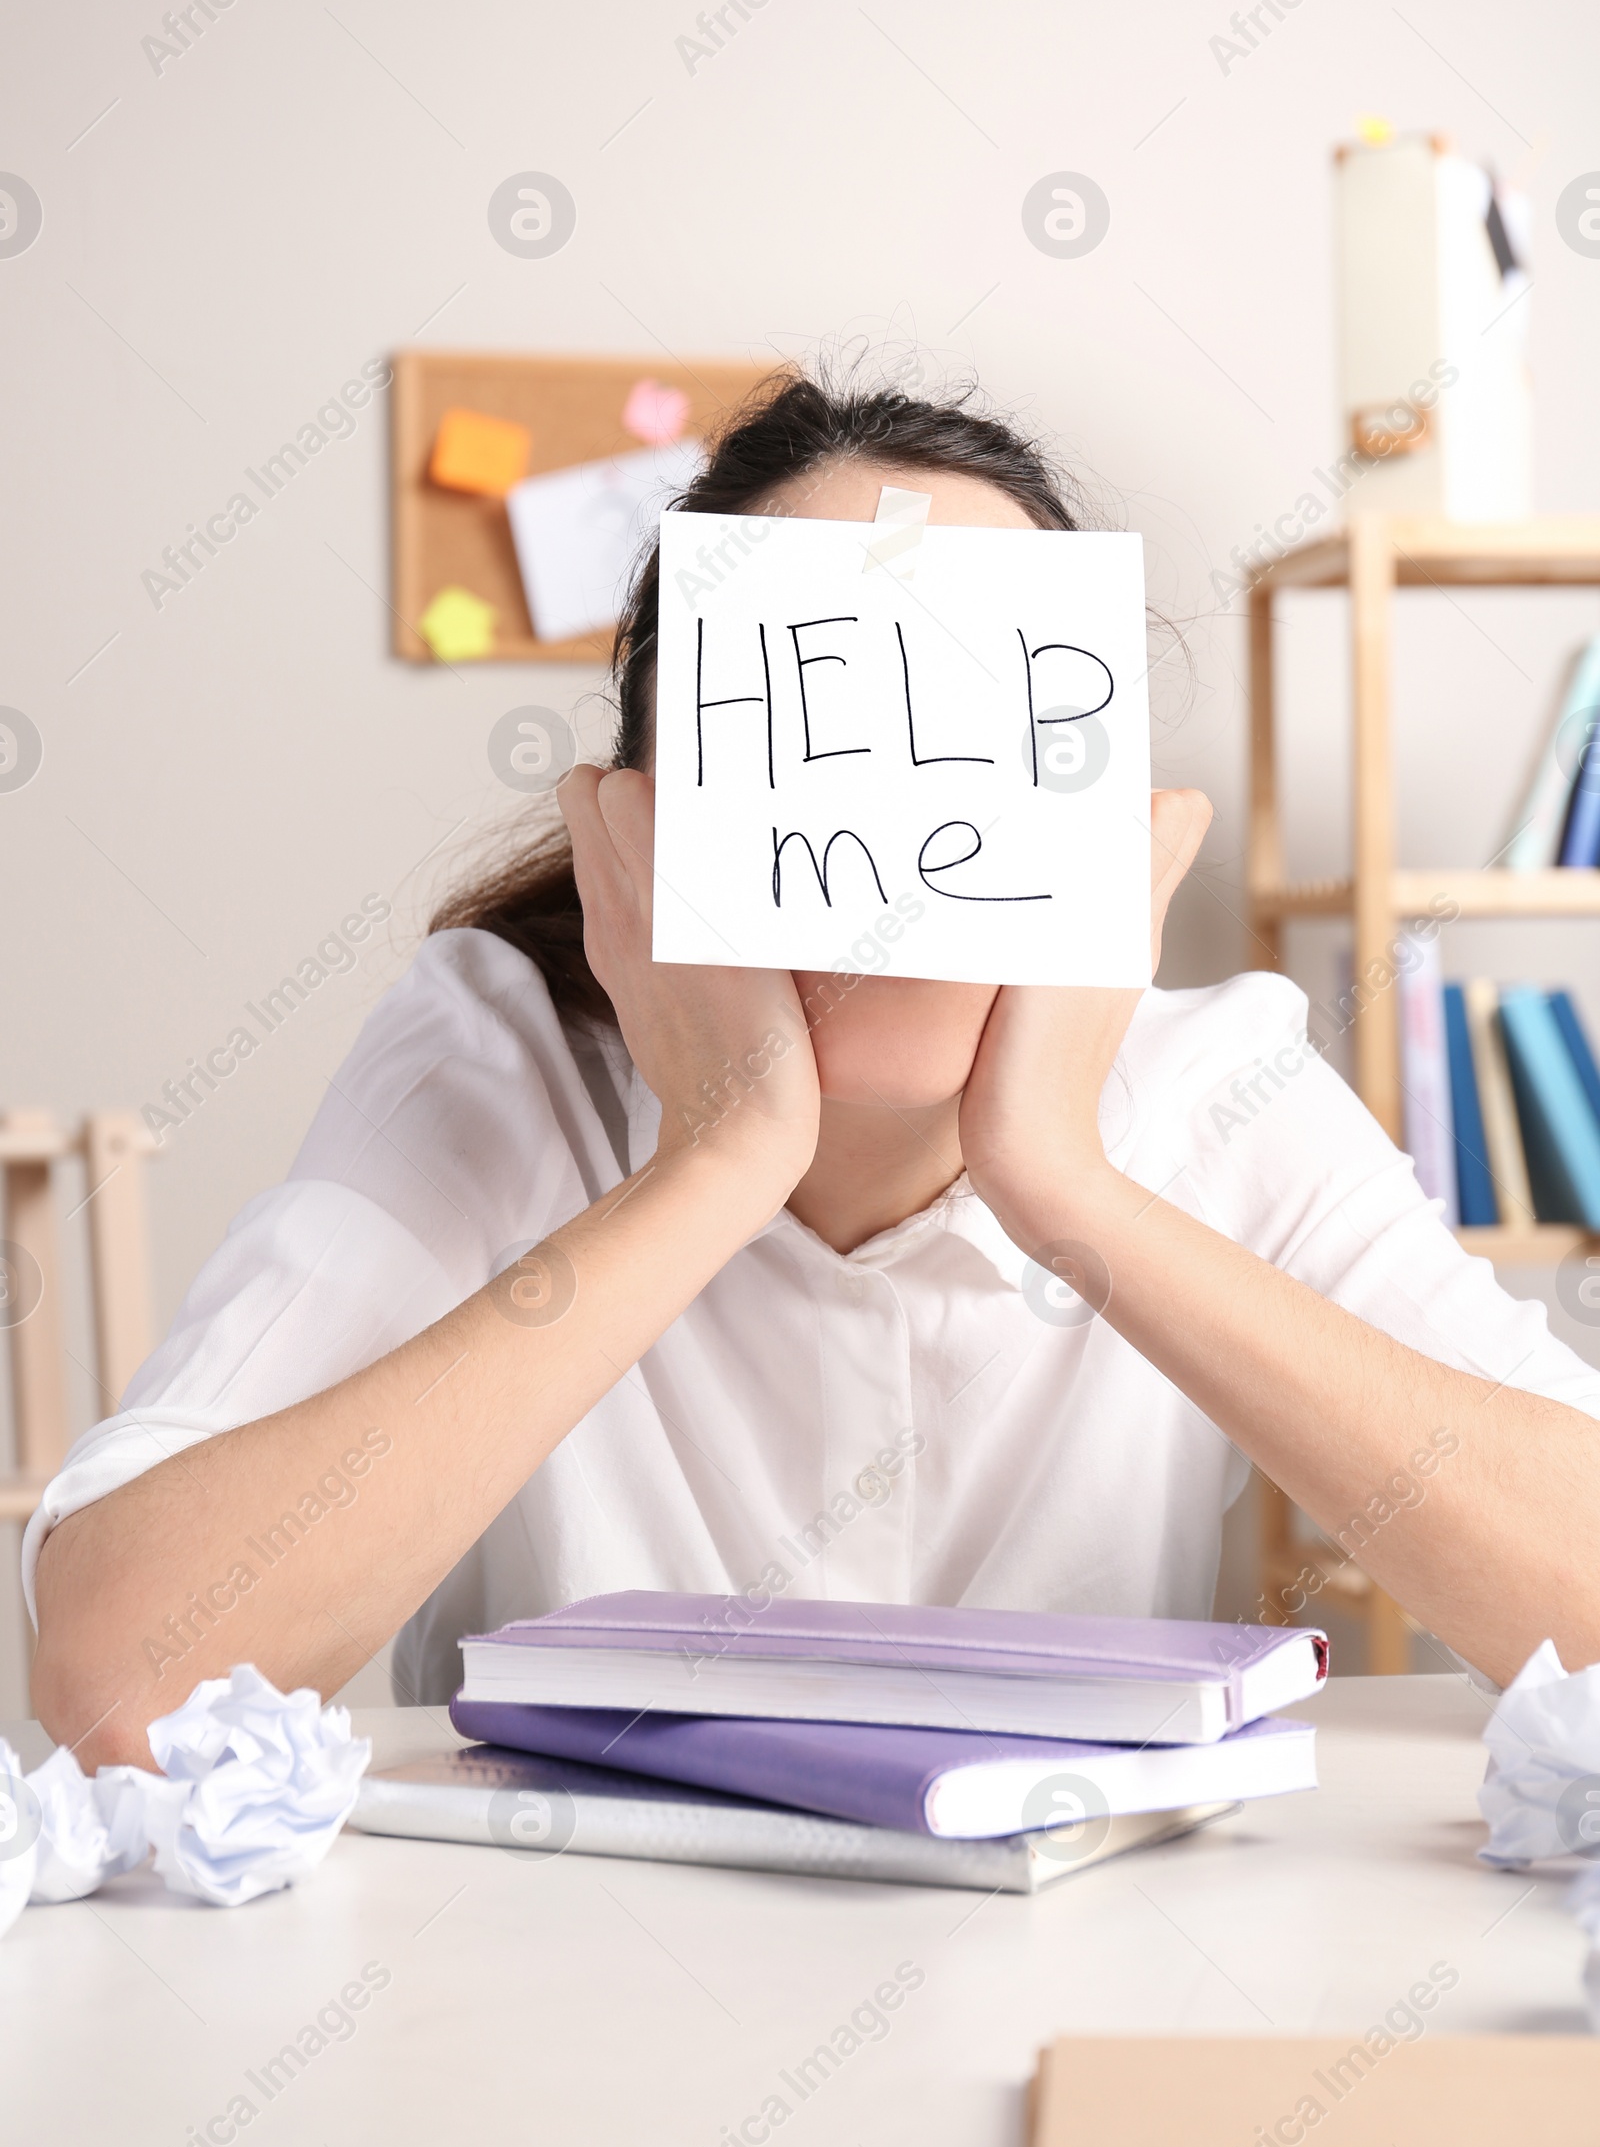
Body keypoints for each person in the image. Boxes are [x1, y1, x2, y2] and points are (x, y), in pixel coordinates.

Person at [29, 375, 1600, 1765]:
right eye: (812, 714)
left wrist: (1067, 1183)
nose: (902, 843)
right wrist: (717, 1162)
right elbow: (118, 1680)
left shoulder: (1225, 1085)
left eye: (990, 721)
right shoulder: (498, 1053)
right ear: (633, 839)